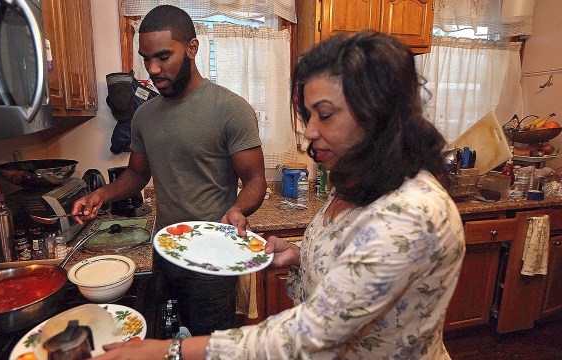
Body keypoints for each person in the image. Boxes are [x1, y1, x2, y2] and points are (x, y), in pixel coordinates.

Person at [93, 30, 465, 359]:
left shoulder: (412, 213)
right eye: (308, 116)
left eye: (325, 114)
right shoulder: (359, 183)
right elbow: (353, 271)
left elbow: (308, 336)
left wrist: (166, 351)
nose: (310, 133)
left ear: (379, 113)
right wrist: (302, 257)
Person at [71, 5, 267, 336]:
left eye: (163, 56)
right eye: (146, 58)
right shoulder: (144, 115)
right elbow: (136, 175)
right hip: (166, 251)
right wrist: (100, 195)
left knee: (206, 347)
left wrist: (237, 209)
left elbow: (255, 180)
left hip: (212, 258)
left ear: (192, 48)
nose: (153, 68)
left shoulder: (230, 110)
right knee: (165, 340)